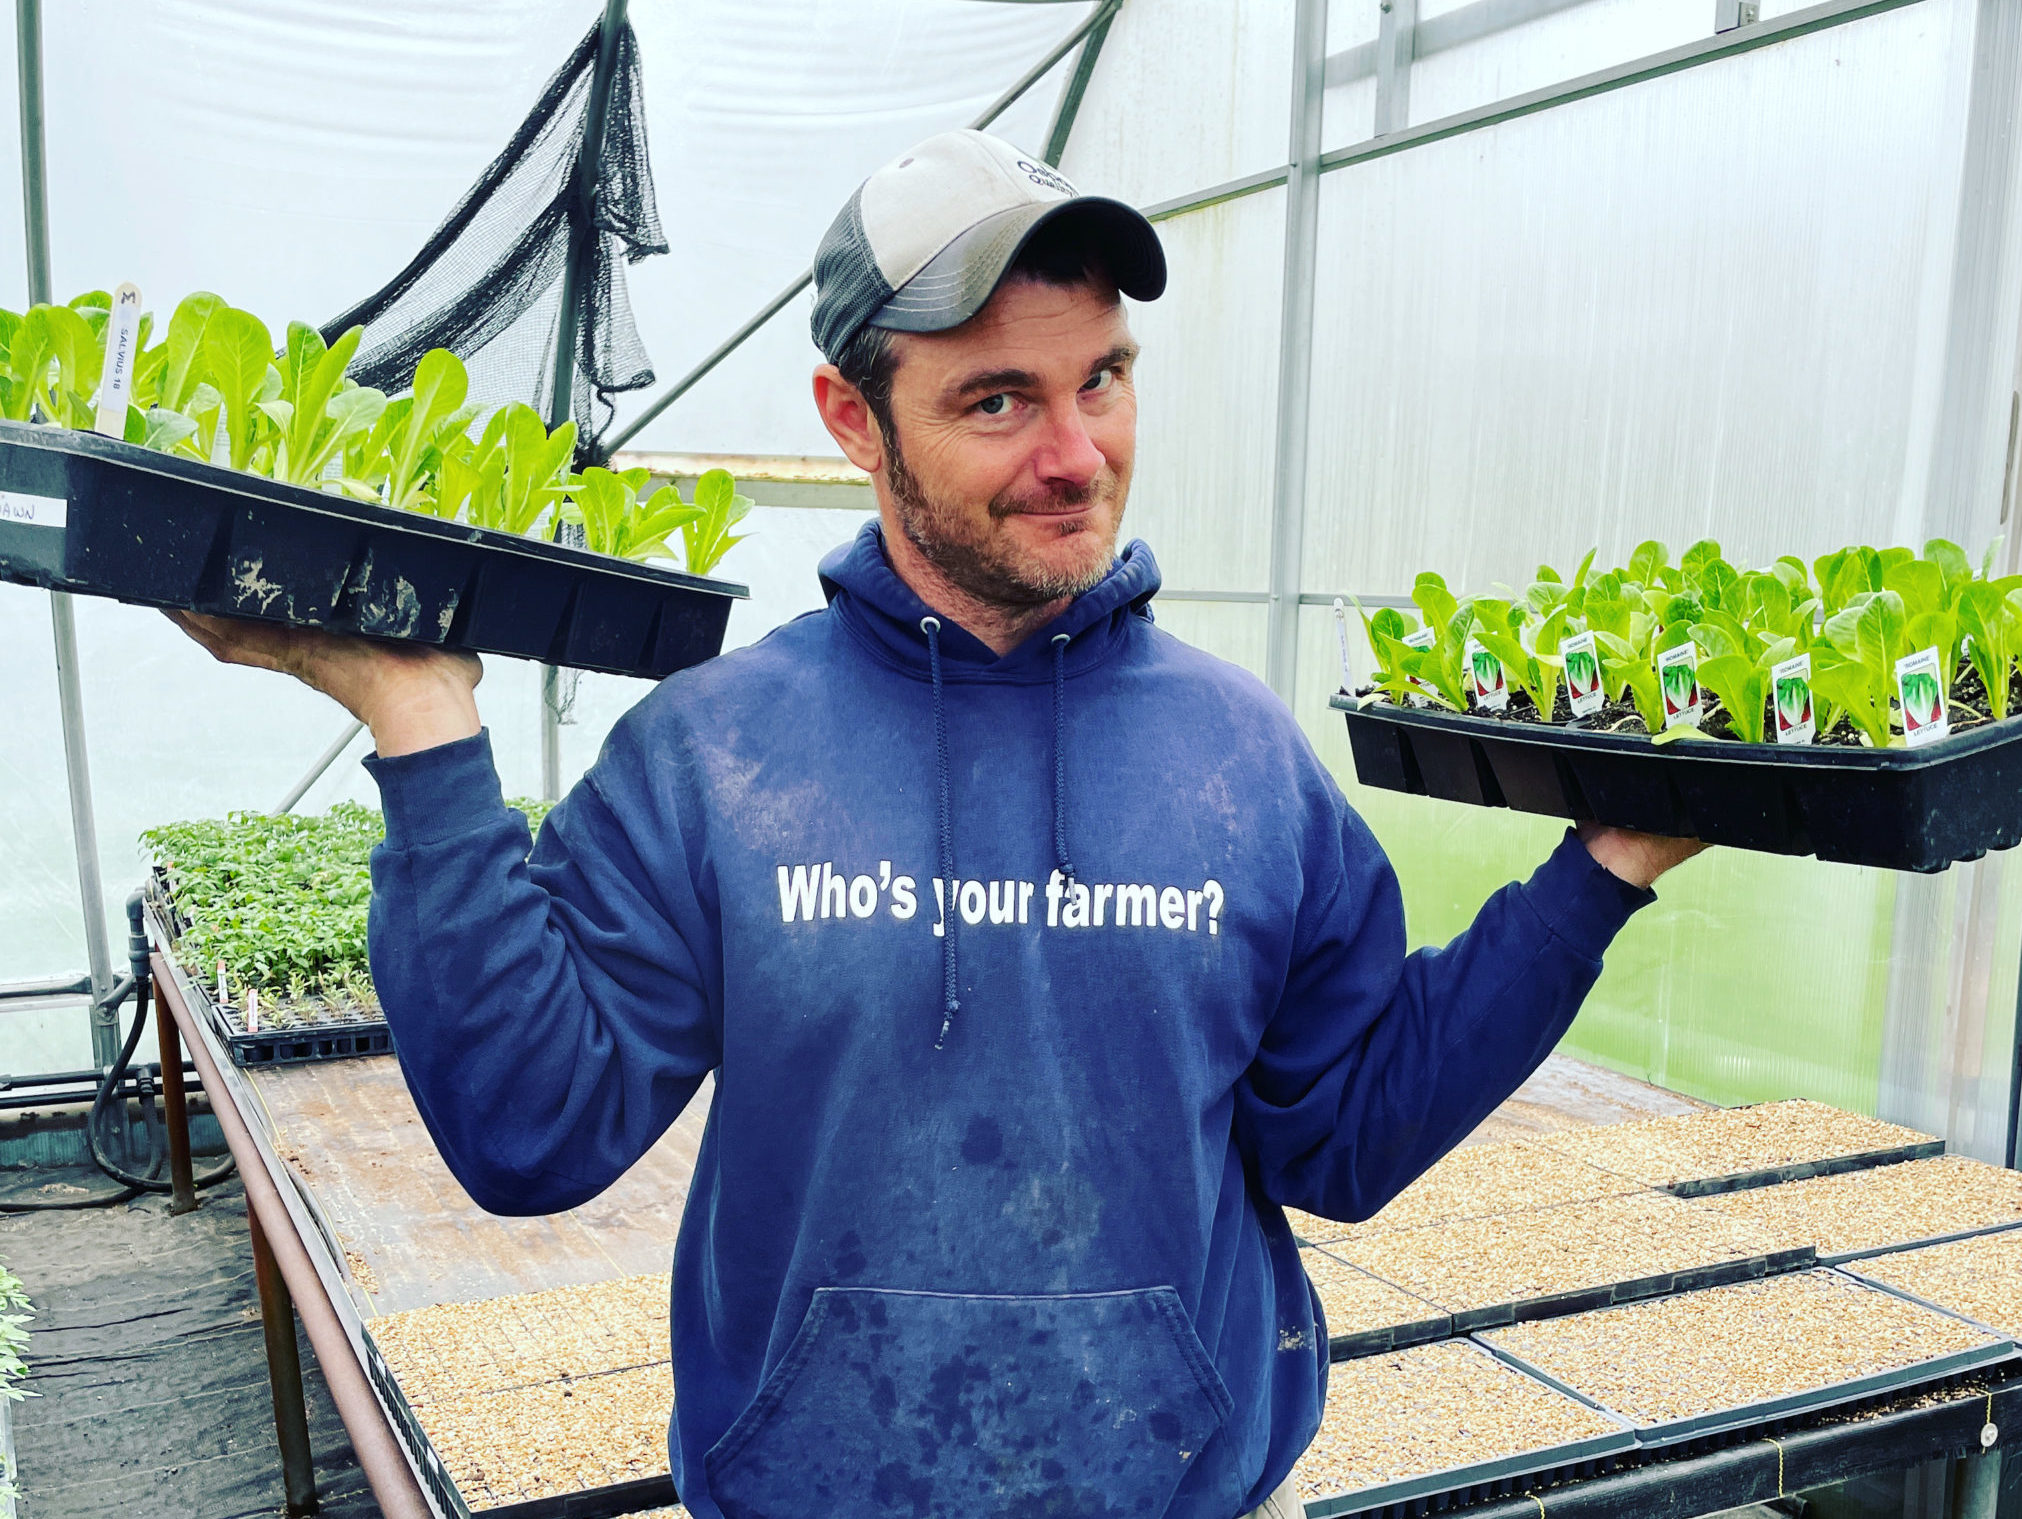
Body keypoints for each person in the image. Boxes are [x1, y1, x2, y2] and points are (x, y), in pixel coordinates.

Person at [169, 130, 1703, 1519]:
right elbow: (529, 1135)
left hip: (1193, 1498)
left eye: (1100, 379)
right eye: (996, 401)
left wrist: (1603, 871)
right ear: (852, 417)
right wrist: (421, 719)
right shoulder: (716, 754)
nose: (1072, 455)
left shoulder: (1239, 756)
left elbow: (1346, 1138)